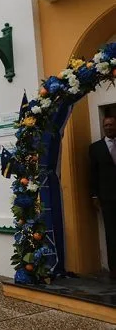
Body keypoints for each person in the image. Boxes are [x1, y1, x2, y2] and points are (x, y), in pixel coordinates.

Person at [89, 115, 116, 280]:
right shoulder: (95, 148)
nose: (109, 127)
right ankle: (114, 268)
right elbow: (93, 173)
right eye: (106, 125)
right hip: (107, 197)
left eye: (111, 125)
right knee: (111, 234)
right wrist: (94, 195)